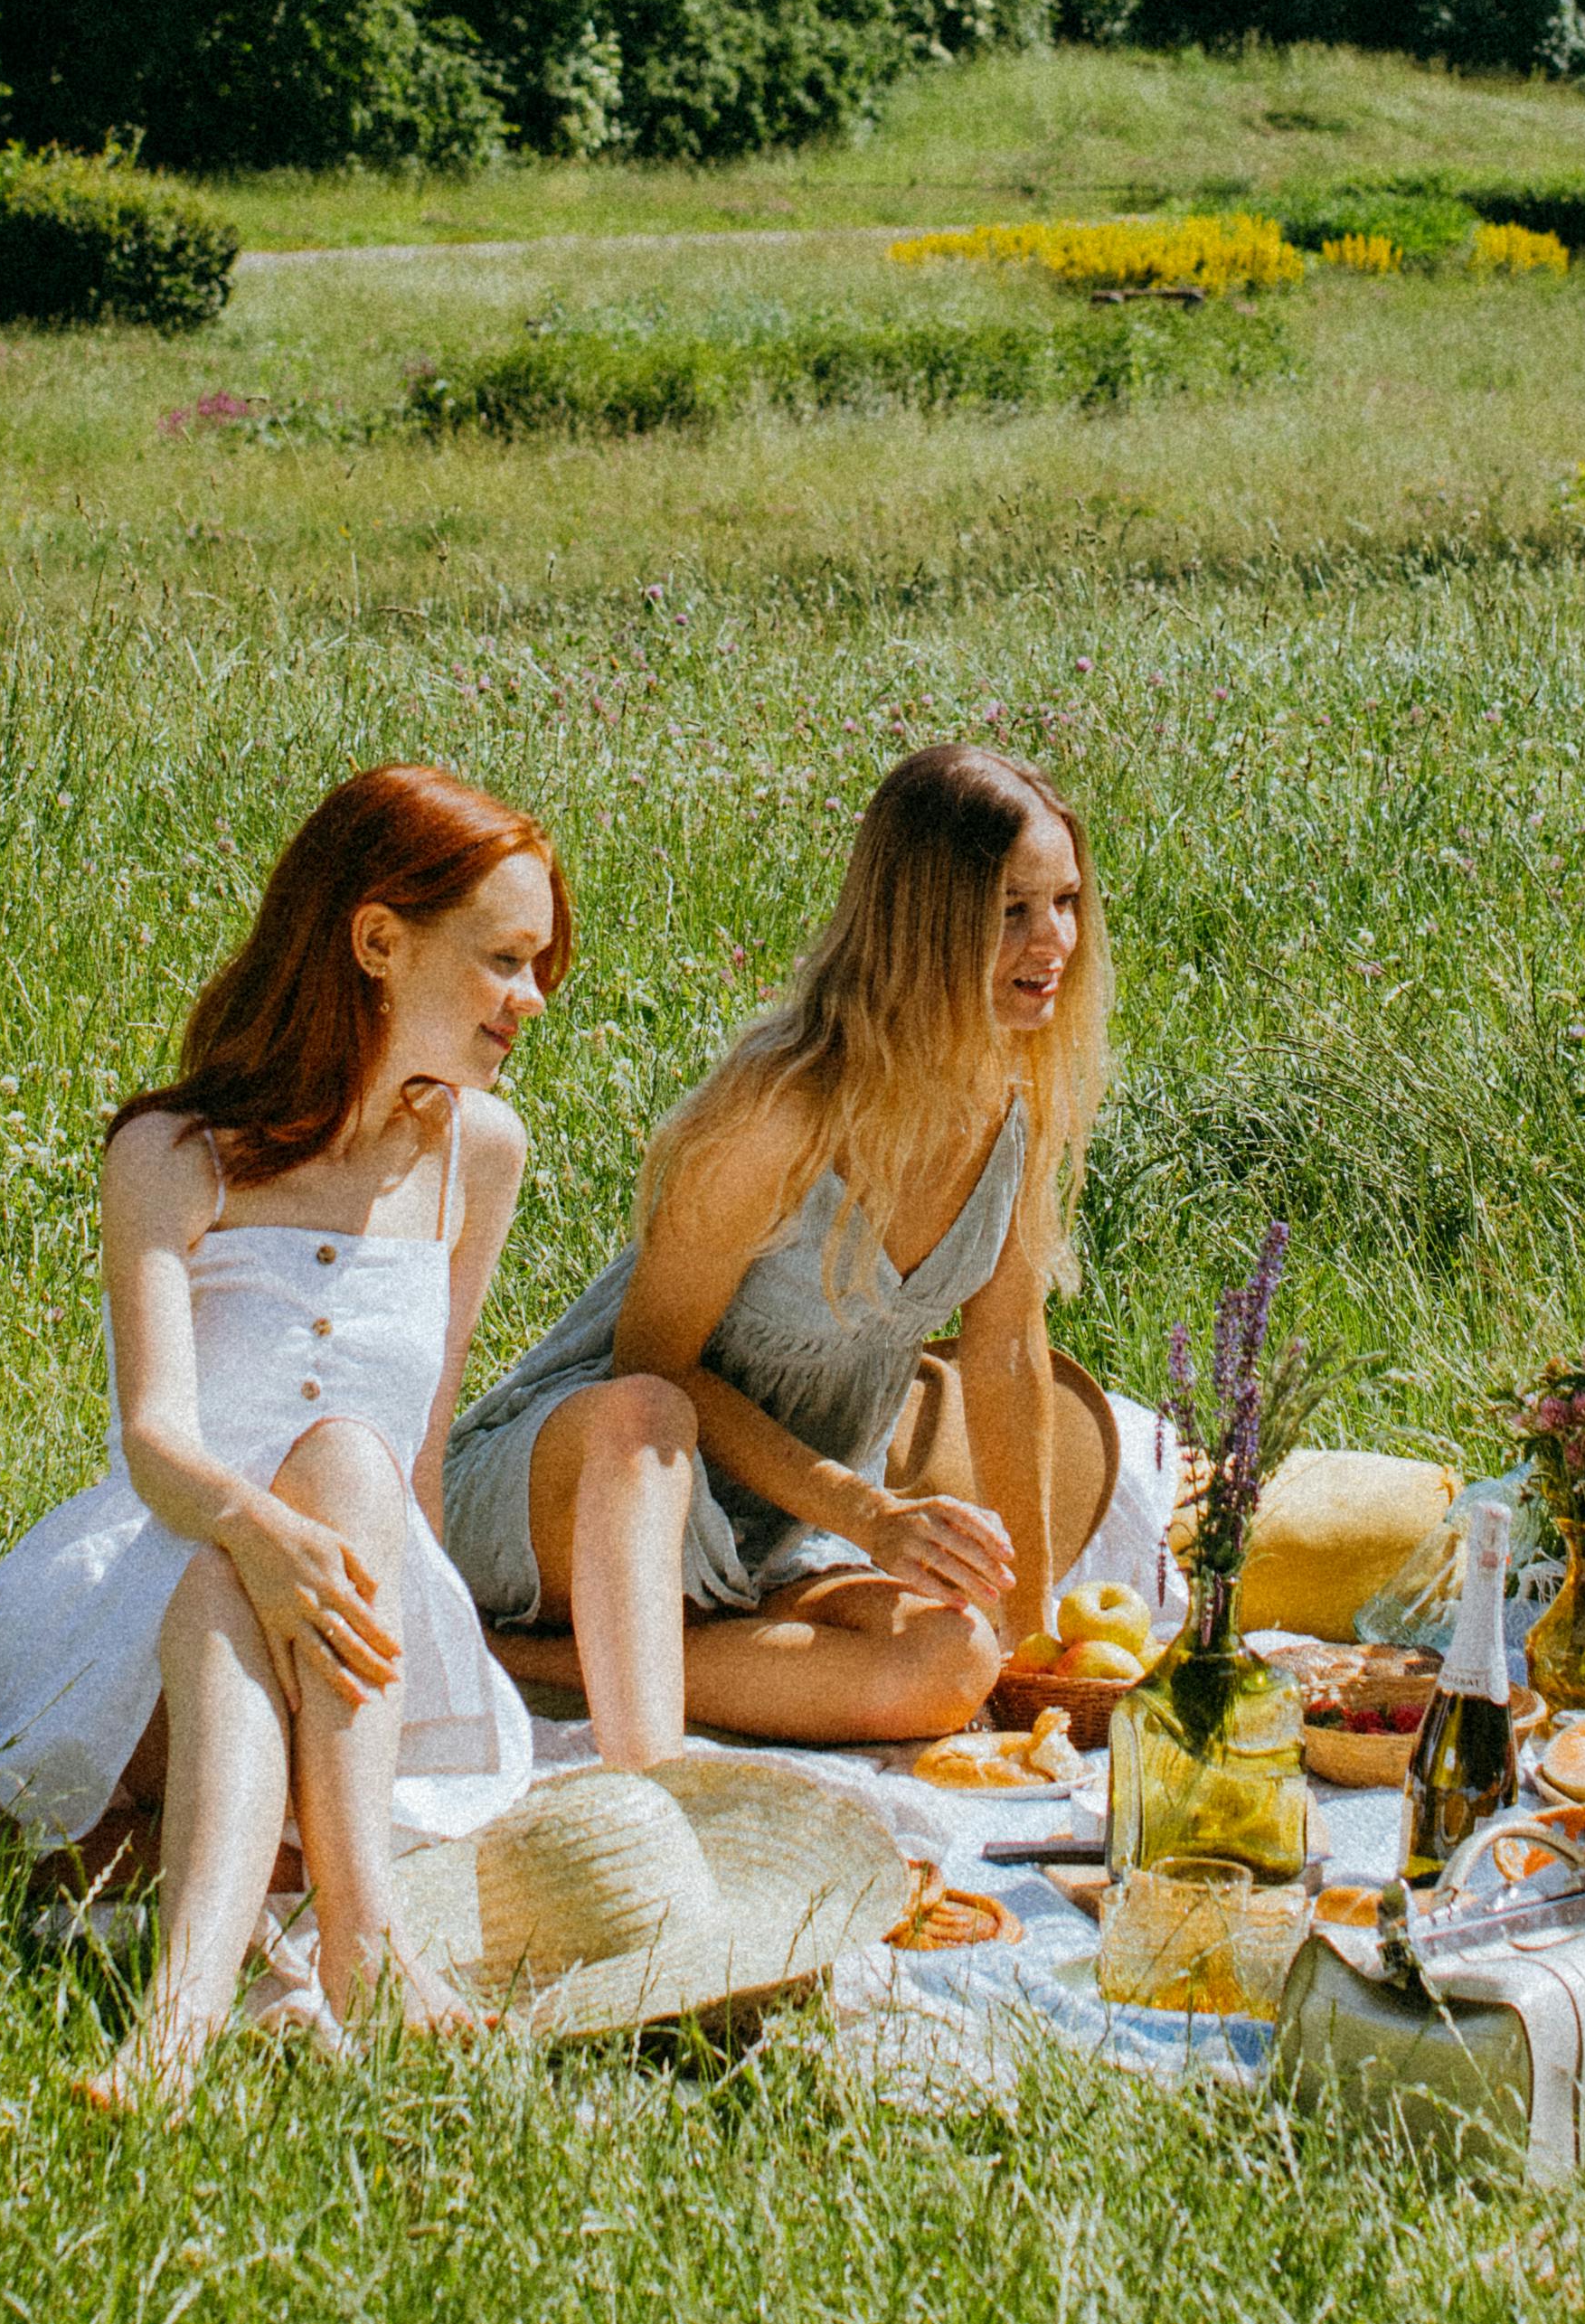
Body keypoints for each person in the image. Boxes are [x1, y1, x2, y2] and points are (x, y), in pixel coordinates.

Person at [0, 766, 561, 2105]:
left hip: (354, 1626)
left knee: (351, 1461)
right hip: (159, 1602)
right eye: (506, 960)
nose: (532, 999)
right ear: (375, 940)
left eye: (539, 966)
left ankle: (187, 2024)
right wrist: (264, 1534)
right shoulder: (178, 1154)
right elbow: (157, 1443)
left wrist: (364, 1583)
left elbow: (416, 1455)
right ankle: (352, 1948)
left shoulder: (482, 1155)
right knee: (229, 1573)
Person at [444, 742, 1102, 1752]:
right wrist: (871, 1512)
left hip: (782, 1533)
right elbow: (648, 1363)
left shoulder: (1015, 1096)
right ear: (923, 919)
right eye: (1012, 908)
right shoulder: (784, 1105)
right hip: (600, 1471)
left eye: (1064, 900)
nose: (1051, 937)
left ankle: (549, 1662)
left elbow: (1009, 1354)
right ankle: (552, 1639)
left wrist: (1038, 1627)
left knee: (954, 1662)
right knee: (649, 1413)